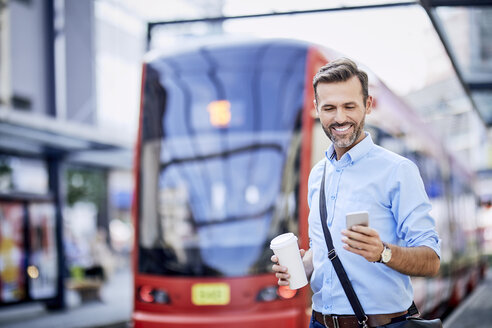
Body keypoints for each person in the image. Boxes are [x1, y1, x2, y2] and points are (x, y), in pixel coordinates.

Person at [271, 58, 441, 328]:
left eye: (349, 106)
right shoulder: (318, 175)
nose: (339, 118)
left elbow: (432, 261)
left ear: (368, 105)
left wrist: (382, 252)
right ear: (317, 109)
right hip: (319, 322)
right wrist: (303, 265)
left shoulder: (398, 171)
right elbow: (322, 249)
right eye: (329, 108)